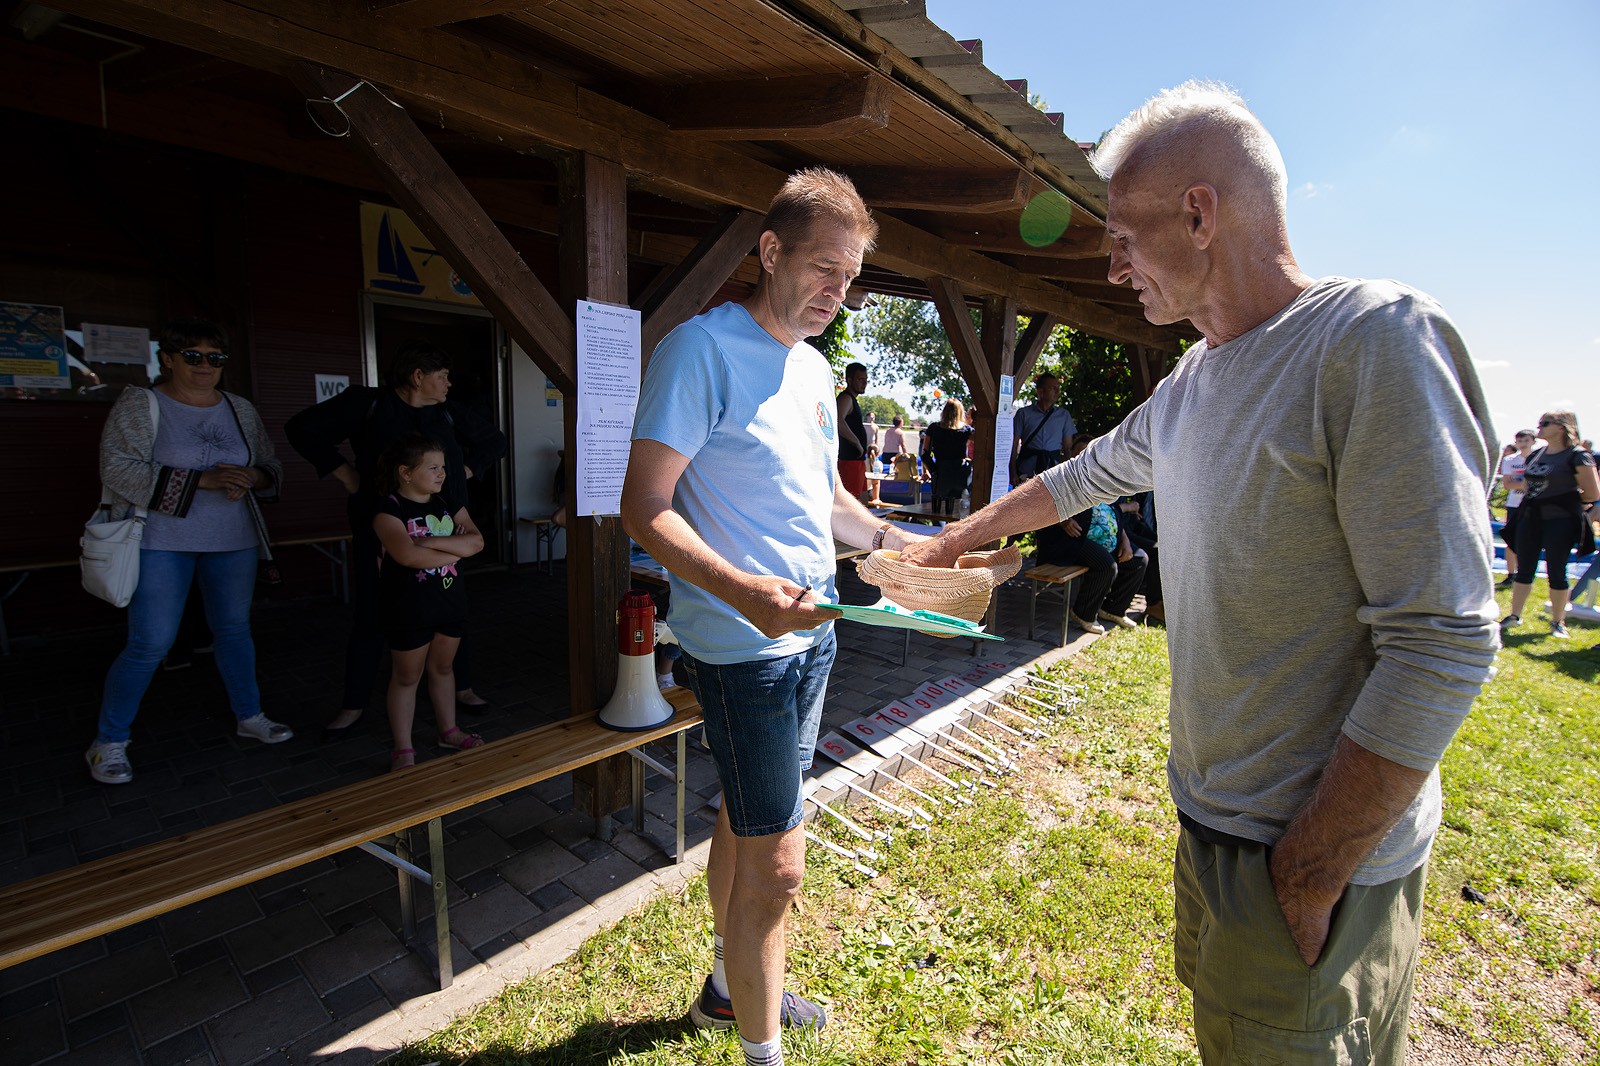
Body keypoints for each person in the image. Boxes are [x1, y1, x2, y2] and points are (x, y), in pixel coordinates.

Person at [899, 82, 1499, 1065]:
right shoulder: (1194, 378)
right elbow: (1077, 477)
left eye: (1123, 234)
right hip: (1216, 835)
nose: (1110, 260)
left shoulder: (1370, 339)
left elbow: (1445, 641)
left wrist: (1304, 876)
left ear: (1199, 212)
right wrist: (948, 542)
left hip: (1307, 863)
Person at [621, 167, 925, 1066]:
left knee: (749, 815)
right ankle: (761, 1049)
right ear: (769, 252)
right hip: (740, 644)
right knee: (780, 862)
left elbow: (828, 502)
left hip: (815, 635)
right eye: (825, 268)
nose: (840, 291)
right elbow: (644, 507)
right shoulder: (698, 350)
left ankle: (726, 990)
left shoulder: (814, 367)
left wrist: (905, 545)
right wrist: (748, 594)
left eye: (852, 275)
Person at [86, 319, 293, 786]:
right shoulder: (143, 404)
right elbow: (116, 468)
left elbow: (270, 466)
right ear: (168, 358)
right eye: (193, 356)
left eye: (215, 358)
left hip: (231, 538)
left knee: (234, 631)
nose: (205, 366)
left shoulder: (239, 408)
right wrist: (205, 480)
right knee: (151, 642)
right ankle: (109, 741)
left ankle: (250, 714)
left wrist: (252, 478)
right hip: (162, 540)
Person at [285, 340, 507, 740]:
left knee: (447, 604)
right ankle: (354, 702)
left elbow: (496, 441)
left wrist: (464, 473)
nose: (449, 384)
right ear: (417, 376)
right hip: (384, 527)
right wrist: (346, 475)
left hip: (445, 525)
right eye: (442, 377)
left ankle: (462, 686)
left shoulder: (450, 413)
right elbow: (302, 430)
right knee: (374, 611)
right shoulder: (368, 404)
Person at [371, 433, 486, 770]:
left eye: (443, 468)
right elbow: (406, 556)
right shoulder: (387, 509)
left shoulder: (448, 502)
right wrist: (453, 547)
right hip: (409, 607)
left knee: (443, 668)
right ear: (405, 472)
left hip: (449, 603)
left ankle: (448, 731)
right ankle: (403, 748)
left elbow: (477, 543)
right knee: (407, 676)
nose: (442, 474)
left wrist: (428, 543)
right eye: (433, 468)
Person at [1502, 410, 1598, 638]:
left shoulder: (1578, 456)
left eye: (1545, 423)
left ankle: (1558, 622)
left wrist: (1561, 499)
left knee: (1557, 571)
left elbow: (1591, 493)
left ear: (1562, 427)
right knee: (1524, 568)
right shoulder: (1537, 454)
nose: (1539, 427)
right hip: (1531, 518)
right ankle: (1514, 615)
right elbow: (1524, 482)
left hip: (1560, 521)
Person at [1010, 371, 1075, 483]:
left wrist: (1068, 478)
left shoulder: (1064, 416)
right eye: (1053, 388)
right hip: (1026, 471)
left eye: (1057, 388)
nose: (1057, 391)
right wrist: (1013, 472)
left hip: (1053, 473)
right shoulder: (1023, 414)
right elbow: (1013, 445)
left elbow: (1068, 448)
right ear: (1040, 392)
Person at [1497, 429, 1541, 588]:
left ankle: (1526, 574)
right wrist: (1525, 484)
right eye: (1520, 441)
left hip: (1533, 504)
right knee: (1511, 539)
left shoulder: (1539, 458)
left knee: (1531, 540)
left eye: (1526, 441)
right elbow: (1508, 484)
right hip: (1514, 504)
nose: (1523, 444)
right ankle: (1511, 574)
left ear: (1533, 442)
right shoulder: (1510, 459)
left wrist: (1527, 484)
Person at [922, 398, 974, 516]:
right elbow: (981, 445)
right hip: (960, 471)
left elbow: (925, 453)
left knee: (938, 508)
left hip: (941, 470)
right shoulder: (966, 430)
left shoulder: (934, 428)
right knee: (959, 508)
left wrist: (932, 470)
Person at [835, 362, 870, 502]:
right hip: (849, 461)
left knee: (863, 501)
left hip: (857, 461)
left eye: (866, 380)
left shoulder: (852, 400)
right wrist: (856, 442)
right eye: (860, 379)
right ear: (849, 380)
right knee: (852, 502)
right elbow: (838, 421)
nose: (864, 383)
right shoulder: (846, 398)